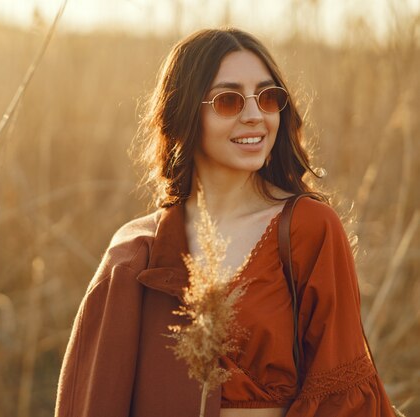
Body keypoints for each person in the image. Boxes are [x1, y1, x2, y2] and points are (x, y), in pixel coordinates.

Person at [55, 28, 398, 417]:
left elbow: (342, 396)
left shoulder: (309, 227)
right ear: (184, 112)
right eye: (228, 101)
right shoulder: (138, 251)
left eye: (269, 98)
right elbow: (95, 396)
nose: (255, 115)